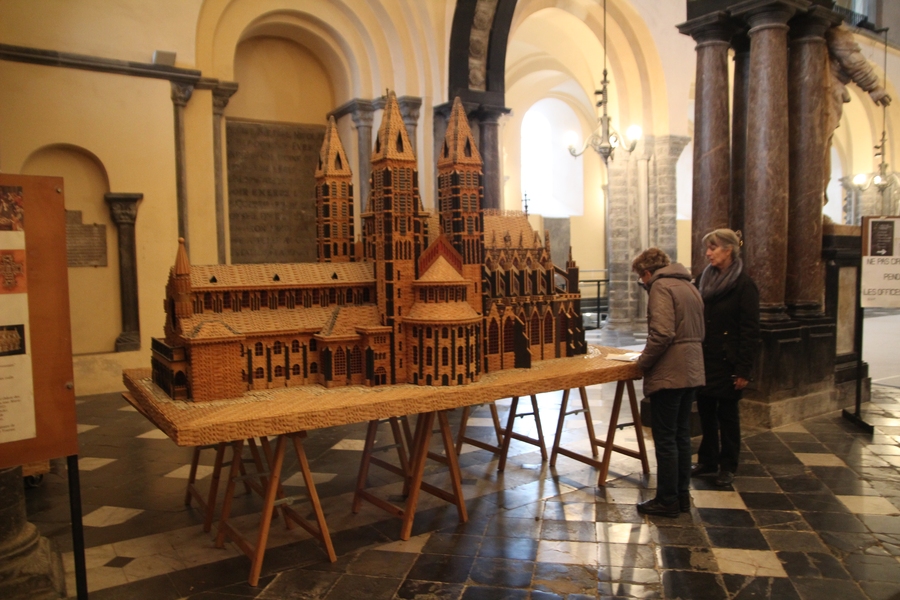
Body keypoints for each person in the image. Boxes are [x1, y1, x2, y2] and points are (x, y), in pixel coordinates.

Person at [632, 248, 705, 517]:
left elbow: (662, 333)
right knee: (681, 435)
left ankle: (667, 499)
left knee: (665, 439)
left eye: (642, 279)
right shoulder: (688, 285)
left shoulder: (661, 287)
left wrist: (643, 363)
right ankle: (682, 495)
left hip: (670, 373)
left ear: (647, 273)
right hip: (692, 368)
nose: (643, 284)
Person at [691, 229, 760, 487]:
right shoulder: (702, 279)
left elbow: (750, 330)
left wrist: (743, 369)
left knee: (728, 415)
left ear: (728, 249)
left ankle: (728, 465)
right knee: (706, 411)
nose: (708, 253)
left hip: (728, 361)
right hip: (705, 357)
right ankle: (707, 459)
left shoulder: (744, 285)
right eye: (708, 248)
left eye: (713, 247)